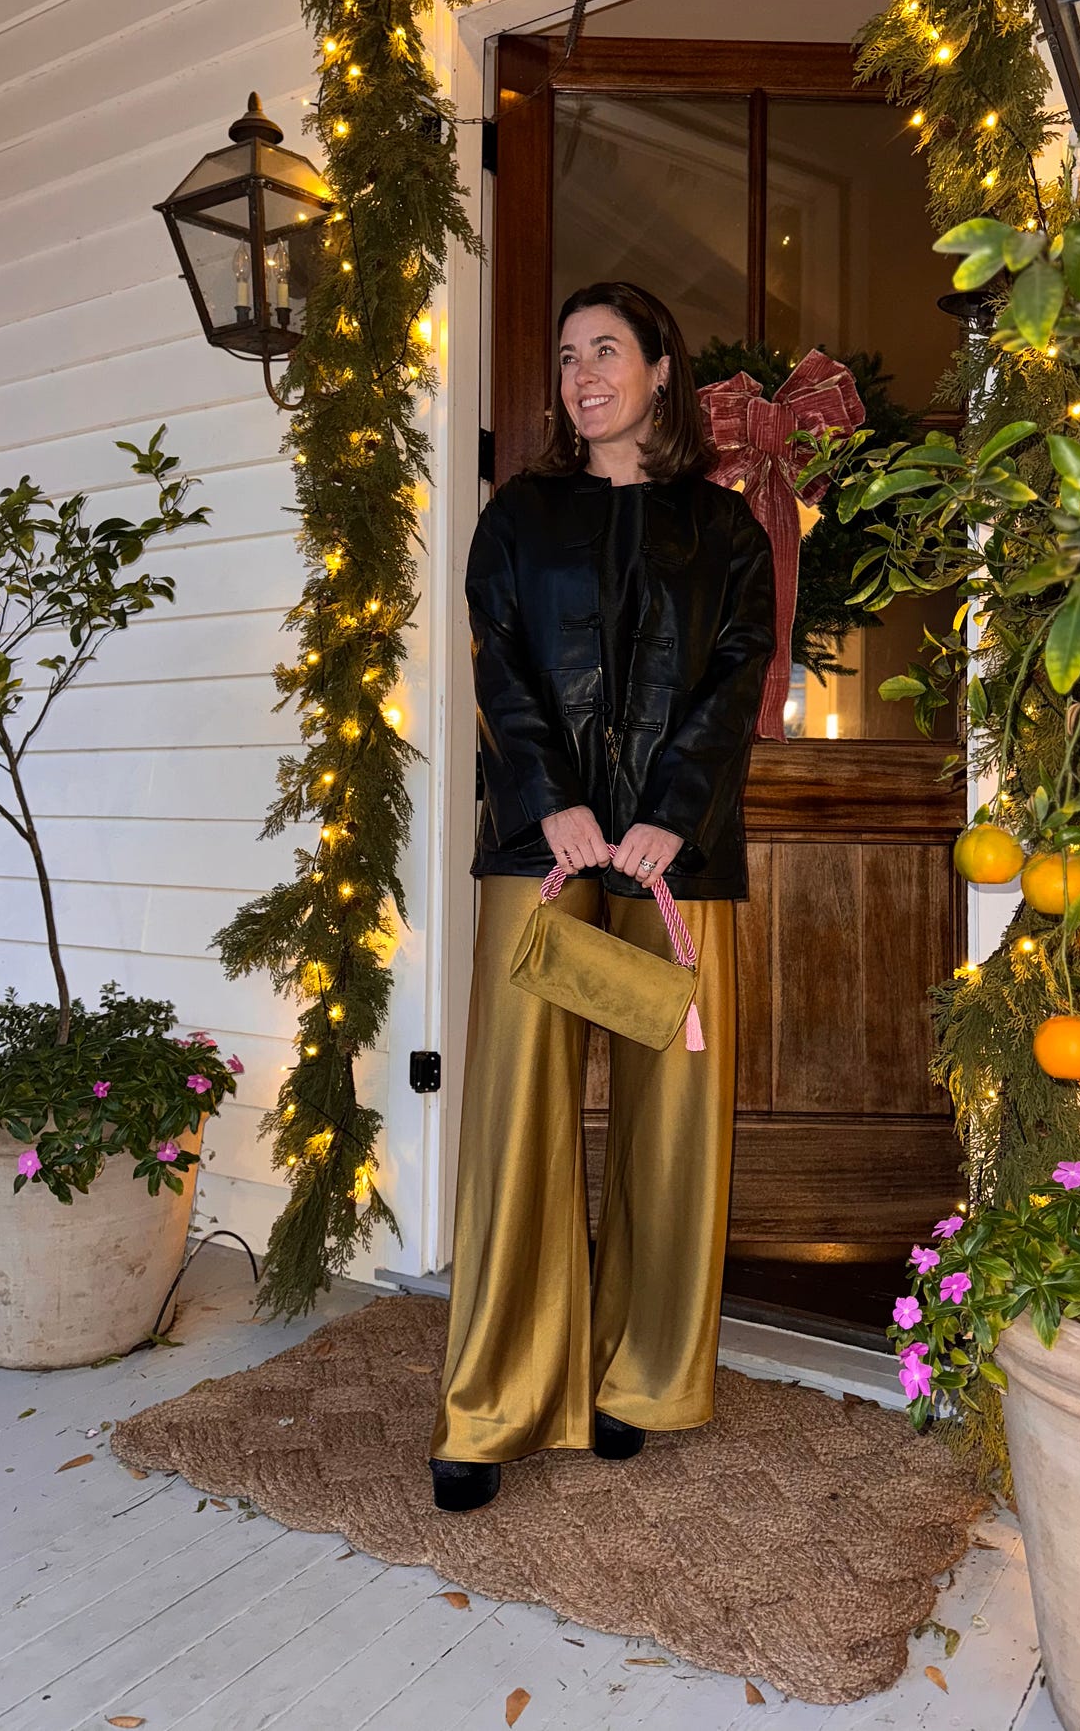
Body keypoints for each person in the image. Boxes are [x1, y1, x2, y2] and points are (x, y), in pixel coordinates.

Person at [428, 280, 776, 1512]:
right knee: (515, 1106)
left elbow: (736, 677)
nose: (583, 374)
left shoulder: (726, 530)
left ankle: (643, 1378)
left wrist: (669, 813)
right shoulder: (517, 518)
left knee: (673, 1111)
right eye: (569, 355)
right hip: (544, 848)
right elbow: (499, 665)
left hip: (678, 851)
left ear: (660, 369)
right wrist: (552, 802)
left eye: (607, 351)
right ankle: (493, 1402)